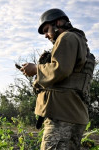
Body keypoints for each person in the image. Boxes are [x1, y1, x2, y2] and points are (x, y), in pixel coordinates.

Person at [20, 8, 95, 149]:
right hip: (73, 114)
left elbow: (60, 69)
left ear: (58, 23)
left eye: (46, 29)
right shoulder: (79, 41)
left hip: (62, 116)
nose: (46, 35)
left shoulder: (66, 37)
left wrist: (36, 69)